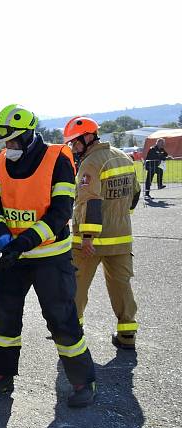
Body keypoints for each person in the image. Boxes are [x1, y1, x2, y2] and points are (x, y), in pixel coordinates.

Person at [0, 104, 97, 407]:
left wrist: (24, 242)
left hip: (50, 255)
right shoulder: (0, 162)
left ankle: (83, 381)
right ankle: (2, 377)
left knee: (62, 319)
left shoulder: (57, 158)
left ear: (31, 135)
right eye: (6, 143)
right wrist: (3, 238)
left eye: (15, 141)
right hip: (14, 256)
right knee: (4, 320)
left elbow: (60, 212)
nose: (10, 148)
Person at [63, 117, 141, 351]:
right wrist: (120, 217)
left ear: (88, 137)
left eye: (75, 143)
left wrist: (88, 236)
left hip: (91, 241)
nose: (73, 148)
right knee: (122, 286)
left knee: (76, 285)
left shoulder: (91, 163)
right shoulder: (123, 157)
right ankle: (127, 334)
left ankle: (72, 333)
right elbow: (135, 195)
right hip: (121, 237)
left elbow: (91, 202)